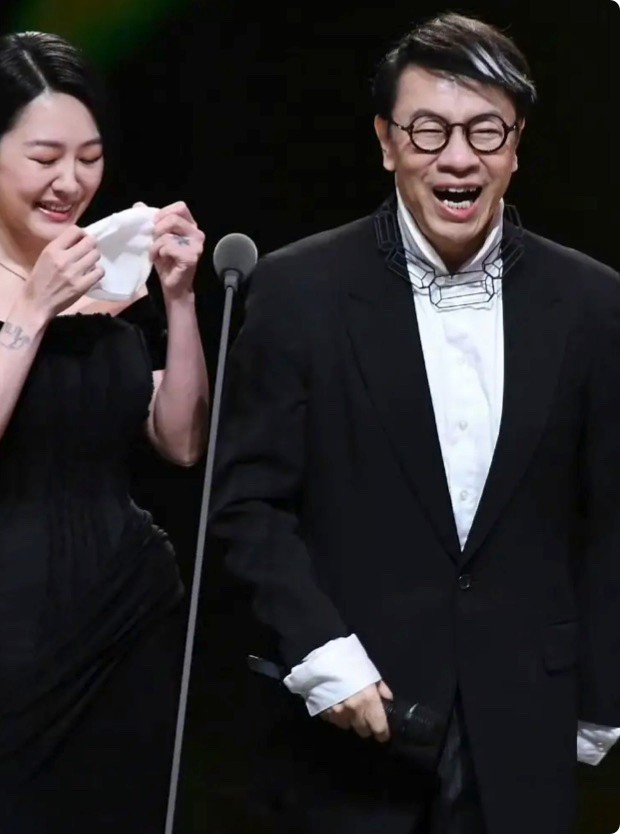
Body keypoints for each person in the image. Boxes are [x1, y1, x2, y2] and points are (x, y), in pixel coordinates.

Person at [209, 11, 620, 834]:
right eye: (428, 131)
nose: (458, 158)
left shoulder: (593, 302)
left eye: (485, 131)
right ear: (386, 142)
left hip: (527, 729)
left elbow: (608, 516)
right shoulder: (299, 291)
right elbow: (247, 505)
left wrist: (600, 697)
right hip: (351, 724)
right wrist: (323, 653)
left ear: (516, 145)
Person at [0, 31, 208, 834]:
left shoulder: (108, 271)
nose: (72, 182)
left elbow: (180, 440)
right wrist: (33, 306)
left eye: (89, 158)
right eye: (45, 157)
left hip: (125, 605)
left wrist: (179, 300)